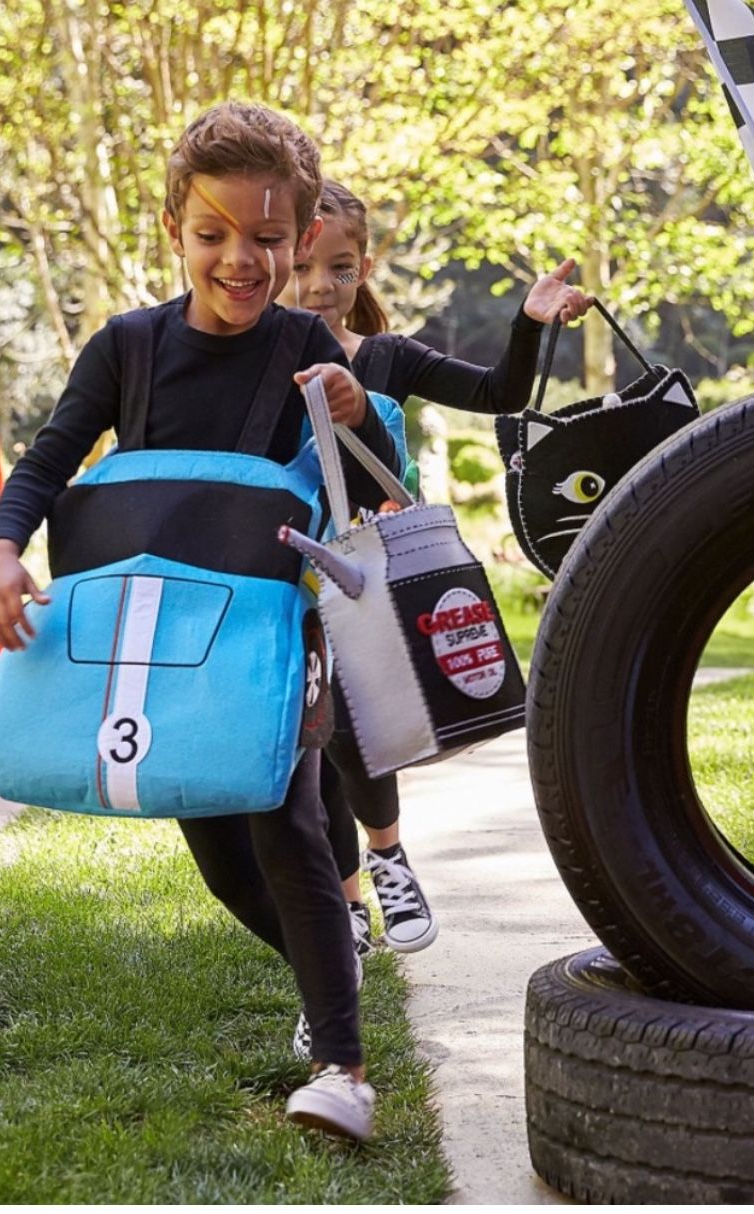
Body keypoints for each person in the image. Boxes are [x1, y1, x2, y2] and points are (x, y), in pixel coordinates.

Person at [0, 105, 406, 1143]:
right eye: (214, 234)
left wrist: (356, 413)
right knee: (221, 852)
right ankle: (329, 963)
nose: (239, 258)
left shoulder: (309, 345)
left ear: (301, 240)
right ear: (175, 225)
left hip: (269, 632)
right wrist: (0, 548)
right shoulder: (127, 347)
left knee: (289, 820)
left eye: (265, 237)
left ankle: (345, 1066)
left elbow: (380, 491)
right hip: (160, 638)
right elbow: (46, 459)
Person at [293, 180, 593, 959]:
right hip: (288, 583)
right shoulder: (252, 364)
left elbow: (501, 393)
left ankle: (387, 853)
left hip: (374, 585)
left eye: (341, 267)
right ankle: (350, 903)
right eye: (302, 266)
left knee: (362, 728)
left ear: (365, 269)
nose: (321, 286)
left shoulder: (385, 359)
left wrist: (528, 321)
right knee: (311, 746)